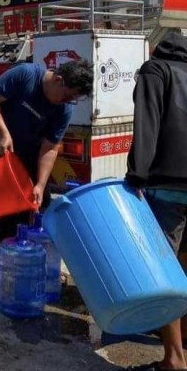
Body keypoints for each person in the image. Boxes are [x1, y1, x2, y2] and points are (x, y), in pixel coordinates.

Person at [0, 59, 93, 277]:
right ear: (59, 80)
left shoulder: (63, 109)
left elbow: (50, 147)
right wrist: (4, 133)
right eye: (69, 95)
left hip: (29, 154)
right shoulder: (26, 75)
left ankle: (37, 259)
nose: (69, 101)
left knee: (37, 204)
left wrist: (41, 184)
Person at [125, 31, 187, 371]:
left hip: (169, 185)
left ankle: (174, 359)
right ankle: (179, 336)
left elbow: (146, 123)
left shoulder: (156, 70)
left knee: (164, 271)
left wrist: (137, 174)